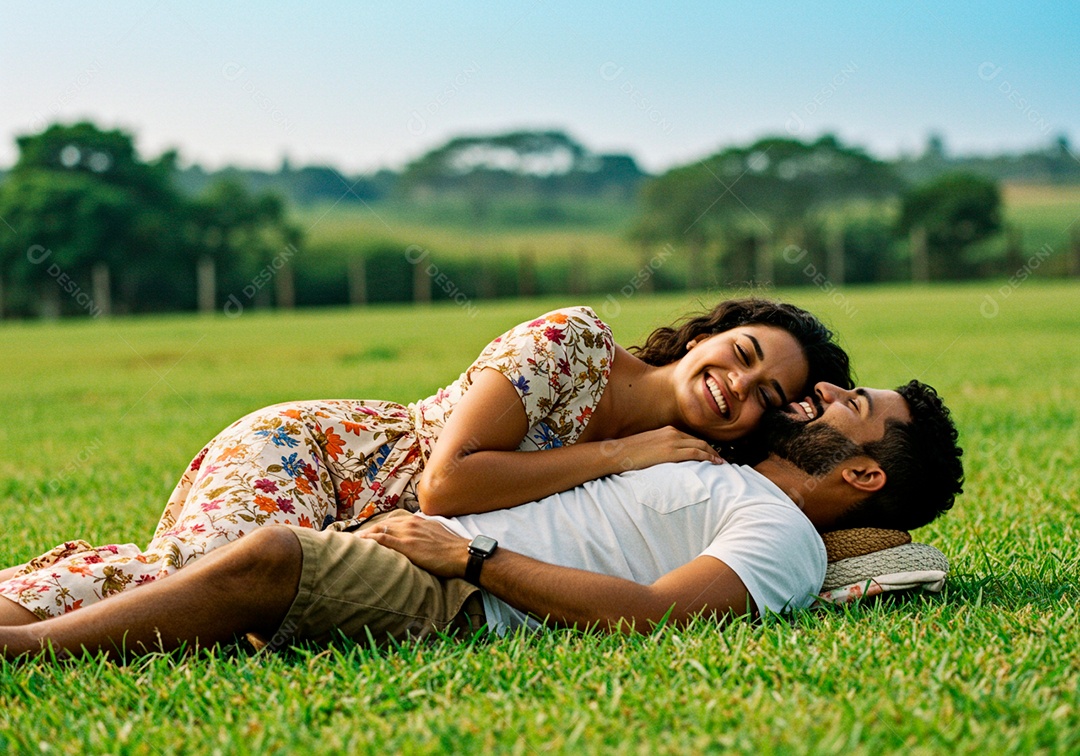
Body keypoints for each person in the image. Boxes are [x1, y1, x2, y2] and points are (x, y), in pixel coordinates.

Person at [0, 299, 853, 624]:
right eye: (741, 353)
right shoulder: (574, 343)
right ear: (706, 334)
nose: (738, 384)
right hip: (323, 458)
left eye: (768, 395)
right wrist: (623, 451)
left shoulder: (694, 462)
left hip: (377, 526)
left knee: (216, 604)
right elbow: (449, 481)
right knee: (188, 584)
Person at [0, 379, 963, 659]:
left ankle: (28, 656)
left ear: (868, 475)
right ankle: (30, 619)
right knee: (165, 582)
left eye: (850, 406)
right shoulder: (716, 462)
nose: (824, 392)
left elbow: (660, 616)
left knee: (270, 559)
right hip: (432, 551)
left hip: (455, 590)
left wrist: (470, 556)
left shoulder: (784, 539)